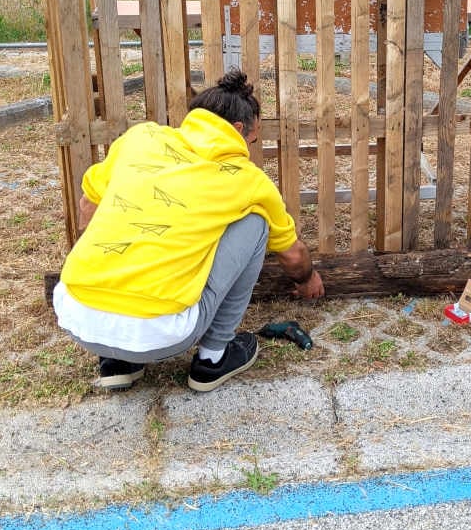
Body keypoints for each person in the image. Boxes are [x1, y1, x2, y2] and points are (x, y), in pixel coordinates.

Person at [53, 67, 324, 392]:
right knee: (256, 222)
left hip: (76, 315)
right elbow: (292, 255)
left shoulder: (140, 138)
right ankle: (213, 359)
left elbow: (88, 206)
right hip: (164, 334)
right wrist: (307, 279)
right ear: (239, 130)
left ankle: (118, 362)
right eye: (254, 135)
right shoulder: (248, 179)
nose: (253, 142)